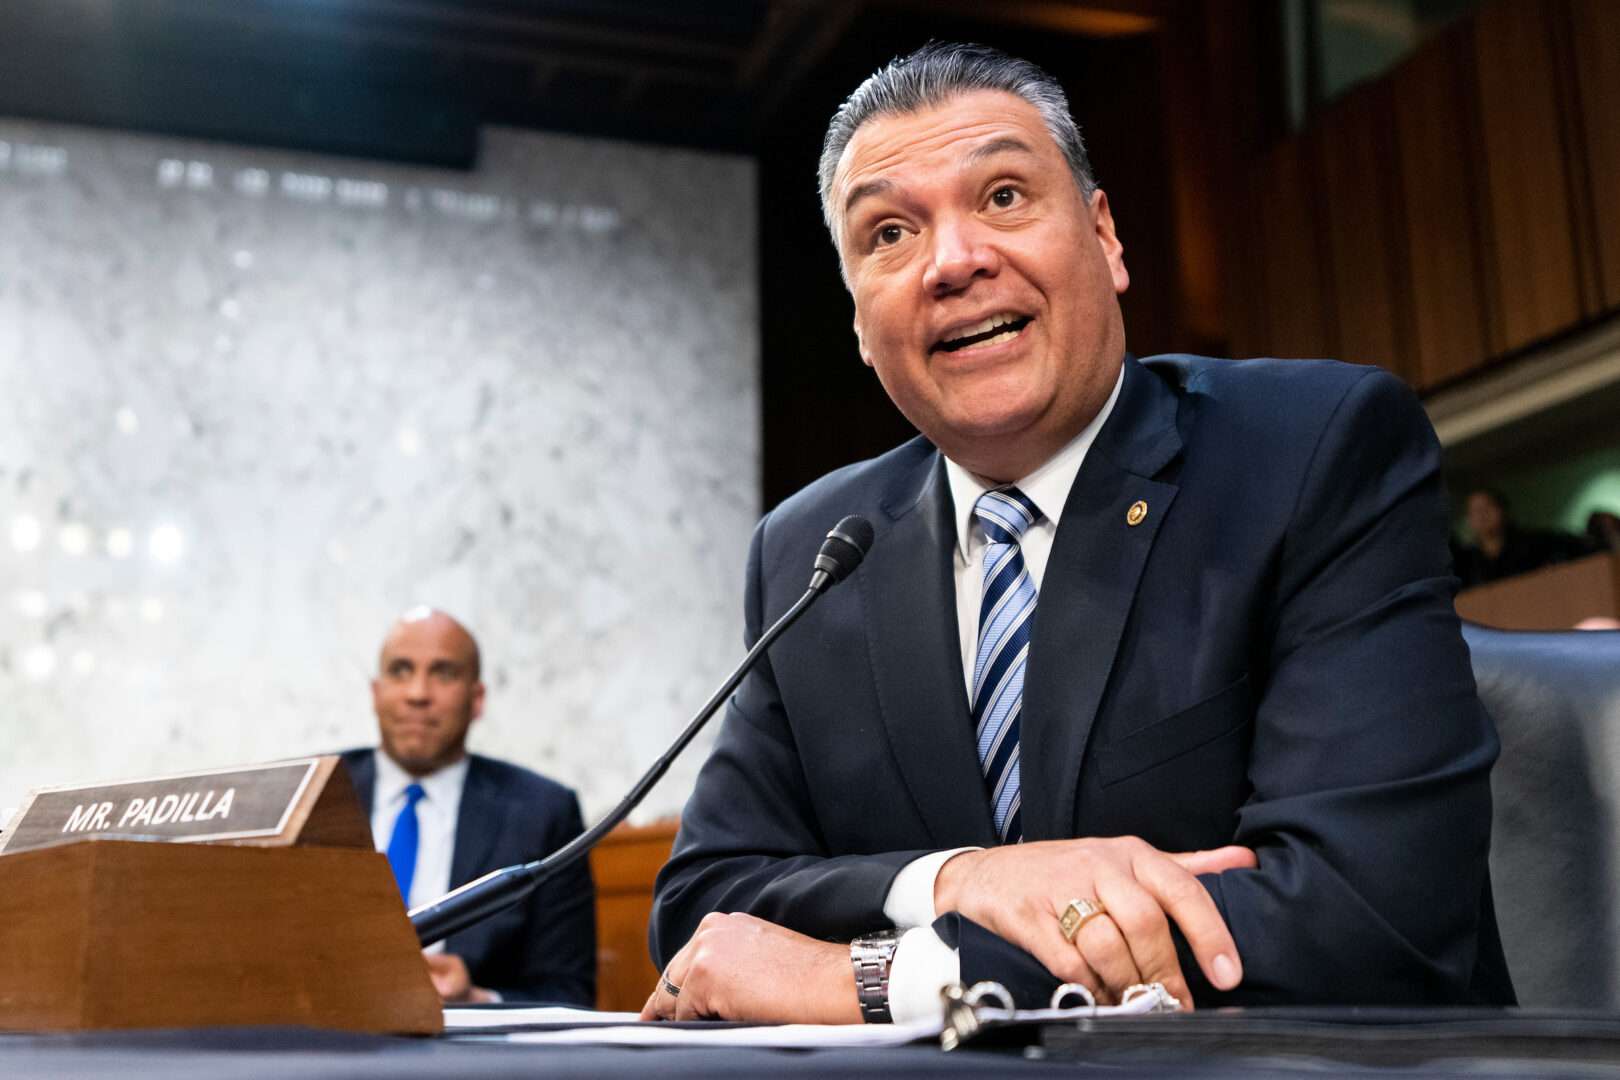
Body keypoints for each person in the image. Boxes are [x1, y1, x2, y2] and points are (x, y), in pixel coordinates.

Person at [643, 42, 1513, 1024]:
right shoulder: (815, 547)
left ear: (1104, 238)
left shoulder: (1316, 451)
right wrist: (954, 881)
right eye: (888, 232)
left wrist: (894, 979)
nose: (956, 261)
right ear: (856, 318)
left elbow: (1372, 914)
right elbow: (703, 912)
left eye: (1005, 196)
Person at [340, 607, 596, 1006]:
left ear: (477, 699)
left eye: (443, 673)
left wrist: (477, 999)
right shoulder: (315, 789)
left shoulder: (543, 813)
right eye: (400, 671)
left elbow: (568, 993)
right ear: (376, 693)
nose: (418, 694)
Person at [1452, 488, 1592, 588]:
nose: (1483, 516)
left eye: (1487, 507)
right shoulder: (1465, 562)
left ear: (1501, 510)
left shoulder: (1534, 543)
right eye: (1475, 511)